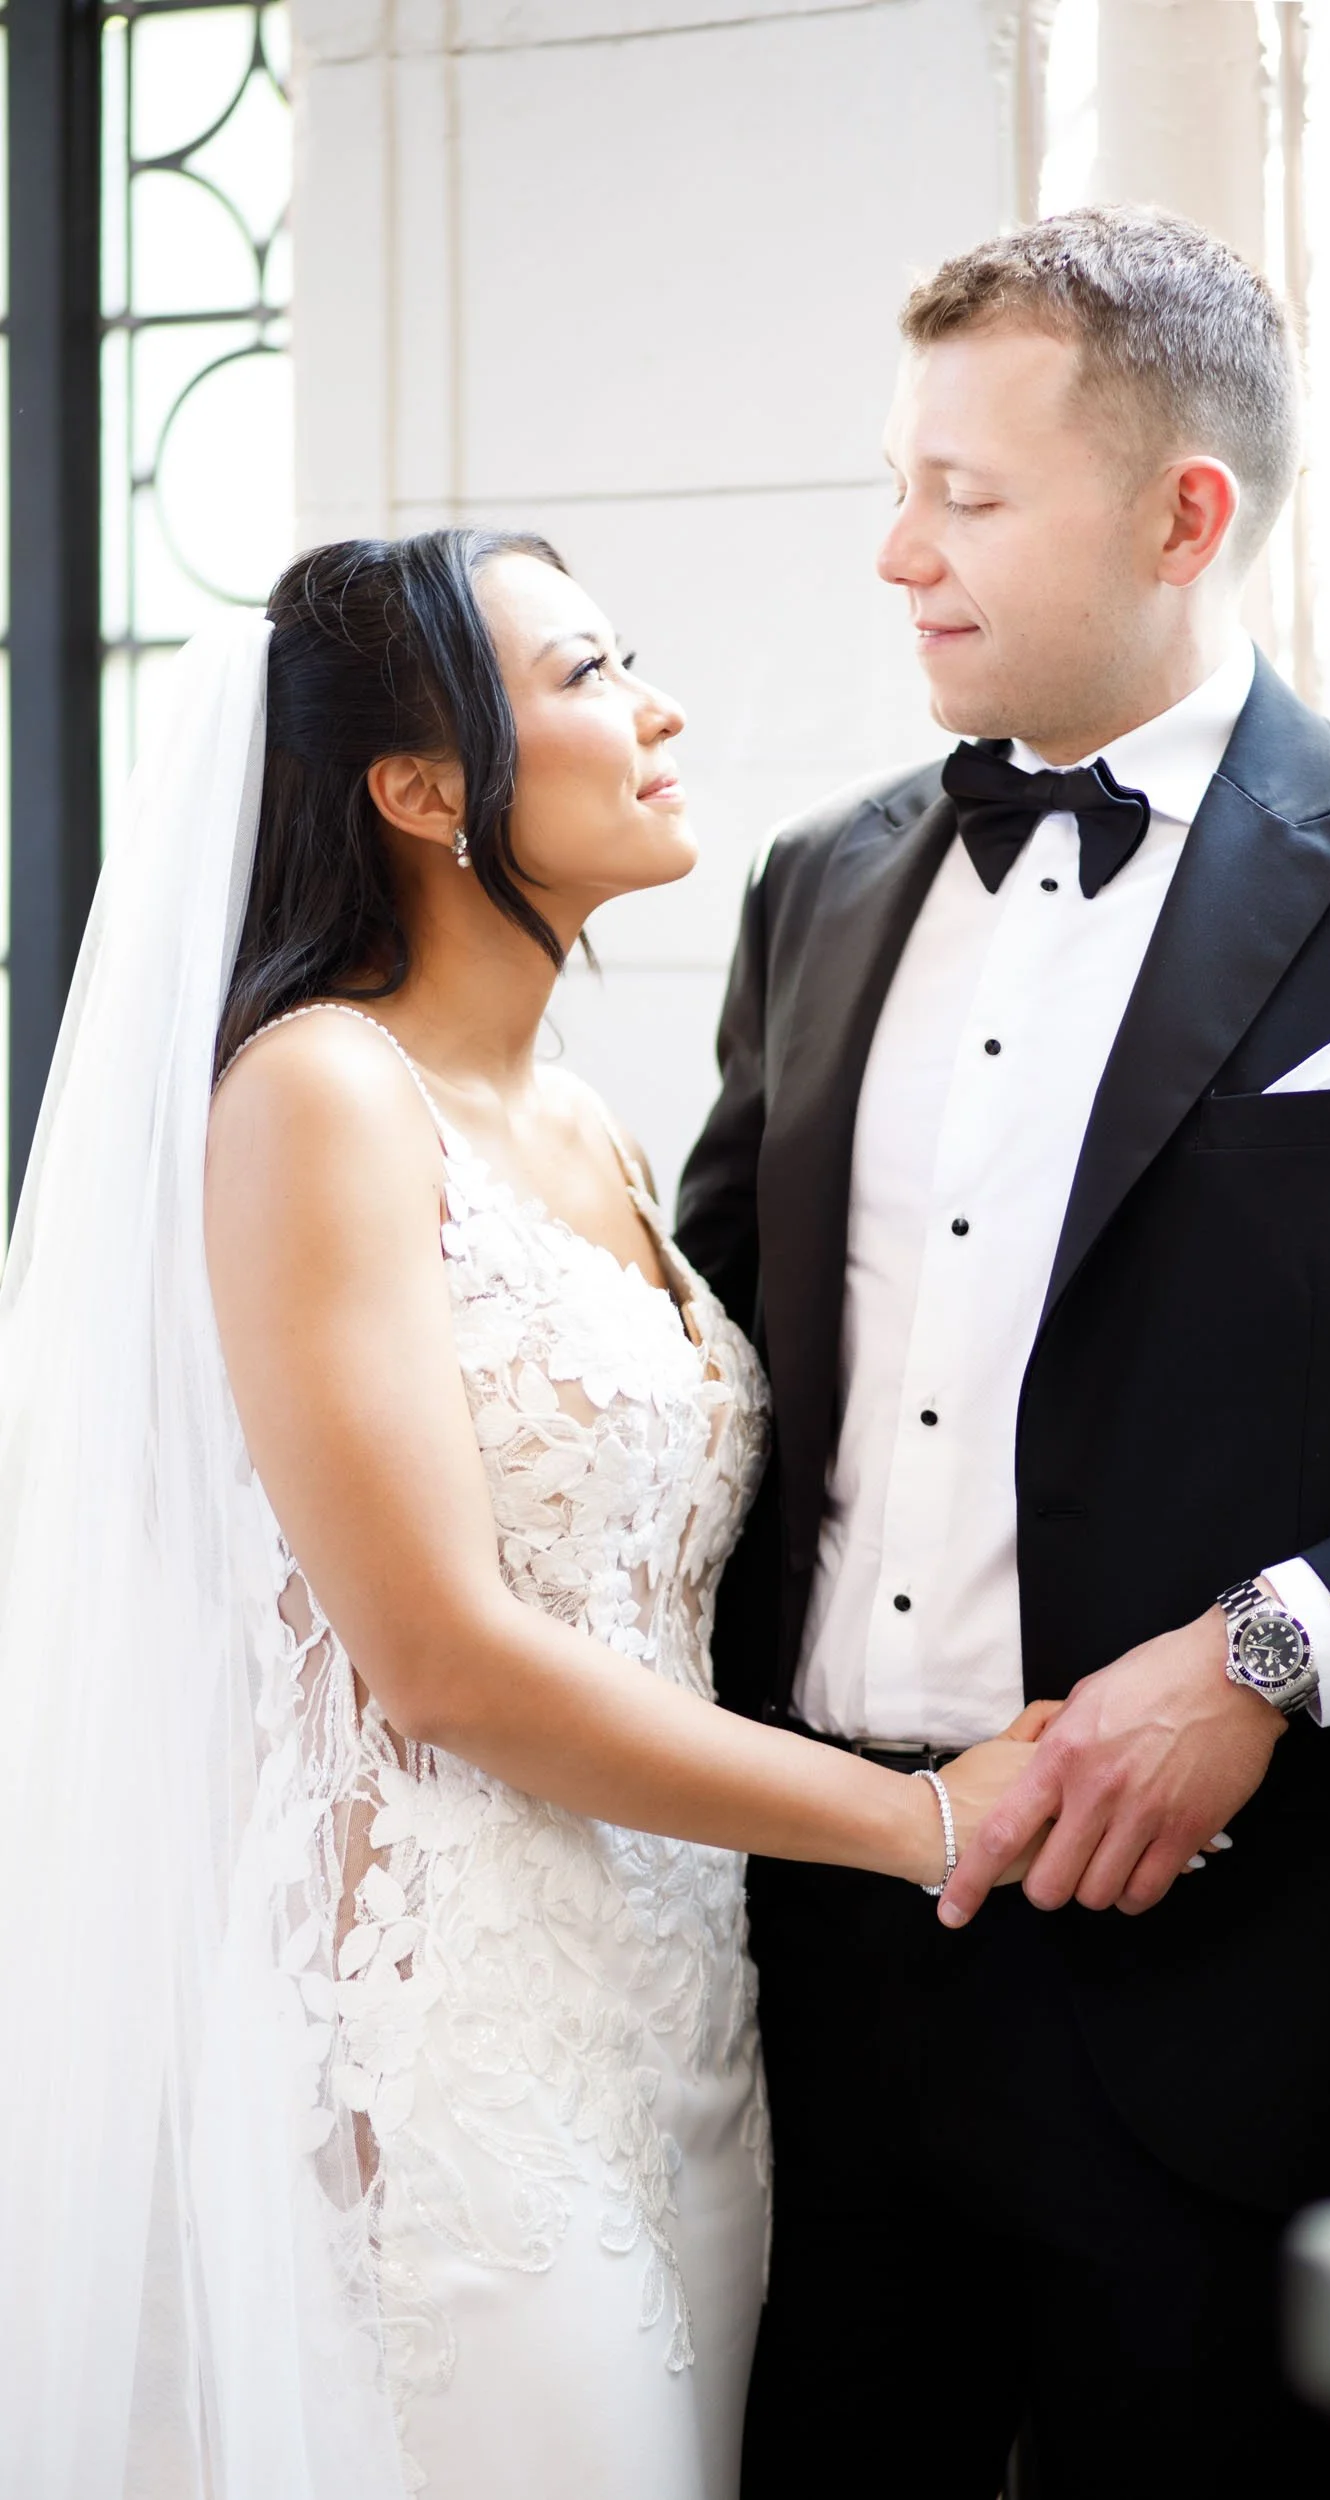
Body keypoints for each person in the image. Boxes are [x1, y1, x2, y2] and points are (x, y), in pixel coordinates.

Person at [677, 204, 1330, 2500]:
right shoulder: (812, 882)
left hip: (1238, 1999)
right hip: (804, 1962)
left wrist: (1275, 1654)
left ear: (1185, 513)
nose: (898, 553)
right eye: (895, 486)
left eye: (965, 497)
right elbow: (705, 1390)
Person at [0, 529, 1043, 2500]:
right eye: (586, 673)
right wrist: (926, 1814)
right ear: (420, 788)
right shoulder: (318, 1097)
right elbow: (441, 1655)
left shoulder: (586, 1121)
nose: (656, 710)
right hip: (449, 2046)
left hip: (676, 2013)